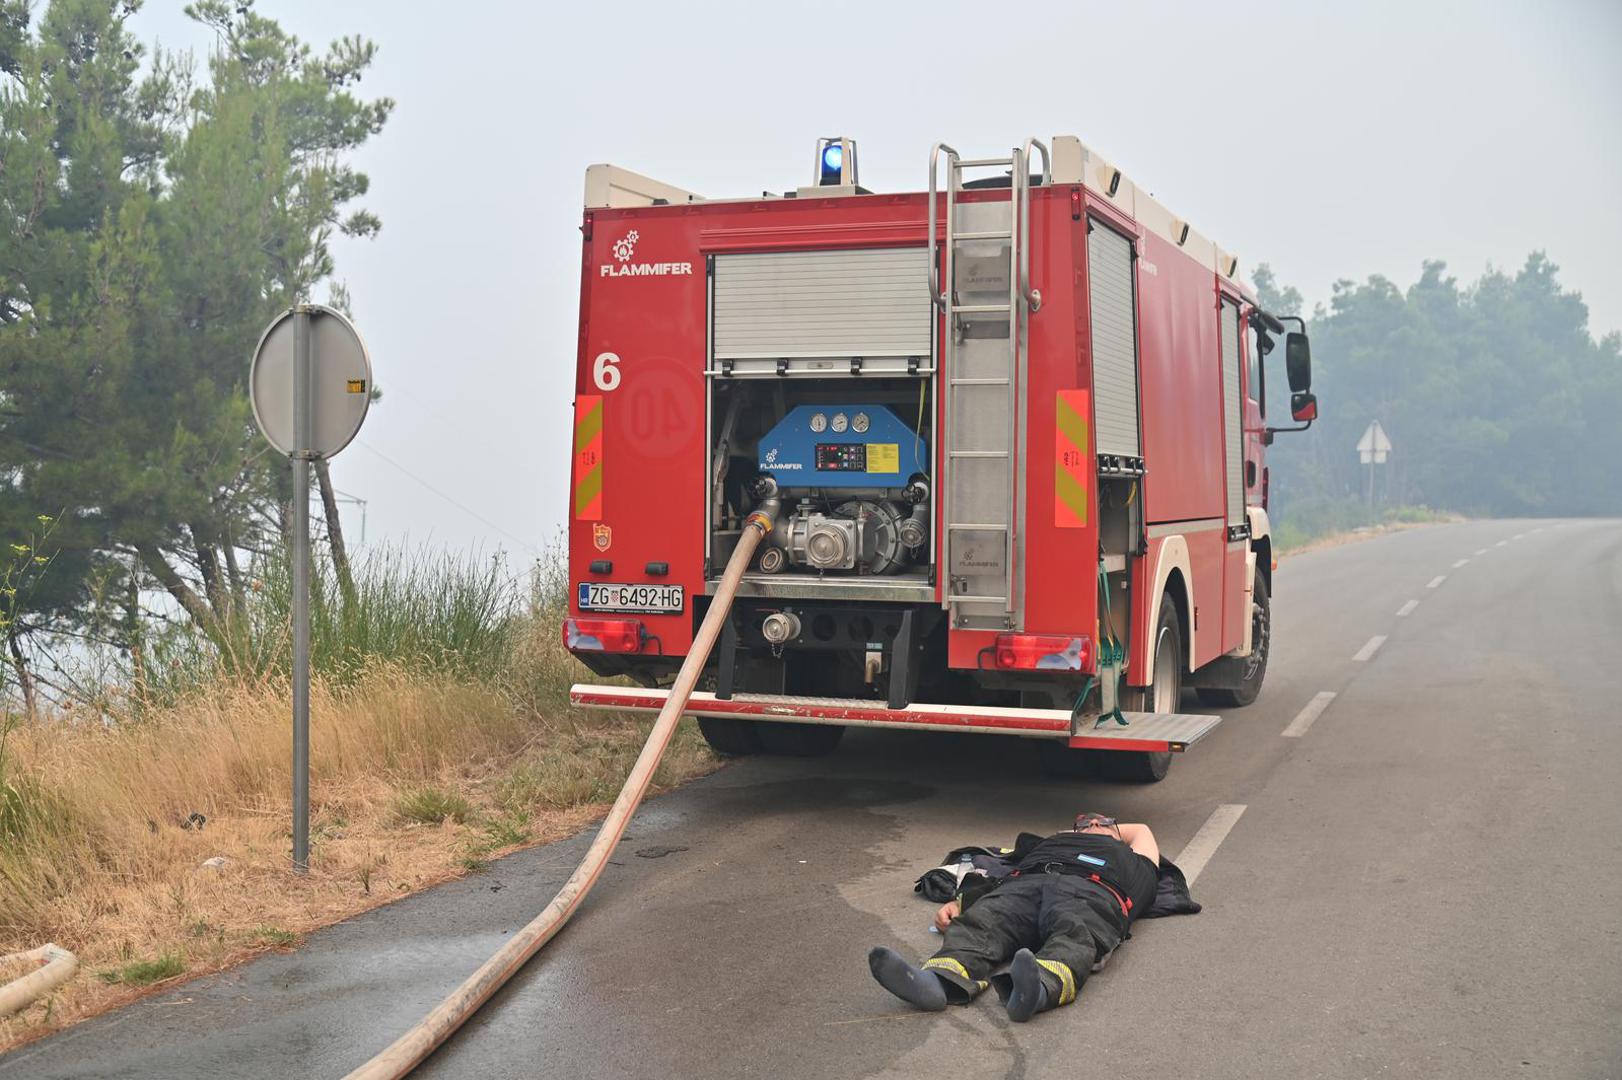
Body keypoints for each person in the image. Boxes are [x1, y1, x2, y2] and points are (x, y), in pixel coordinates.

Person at [868, 813, 1164, 1022]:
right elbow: (997, 876)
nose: (1094, 823)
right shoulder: (1050, 845)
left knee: (1075, 931)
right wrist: (963, 903)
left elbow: (1142, 830)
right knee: (983, 921)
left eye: (1105, 822)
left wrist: (1105, 829)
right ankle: (936, 982)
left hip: (1092, 891)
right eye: (1085, 821)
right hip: (1023, 885)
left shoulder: (1136, 861)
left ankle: (1035, 992)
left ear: (1119, 834)